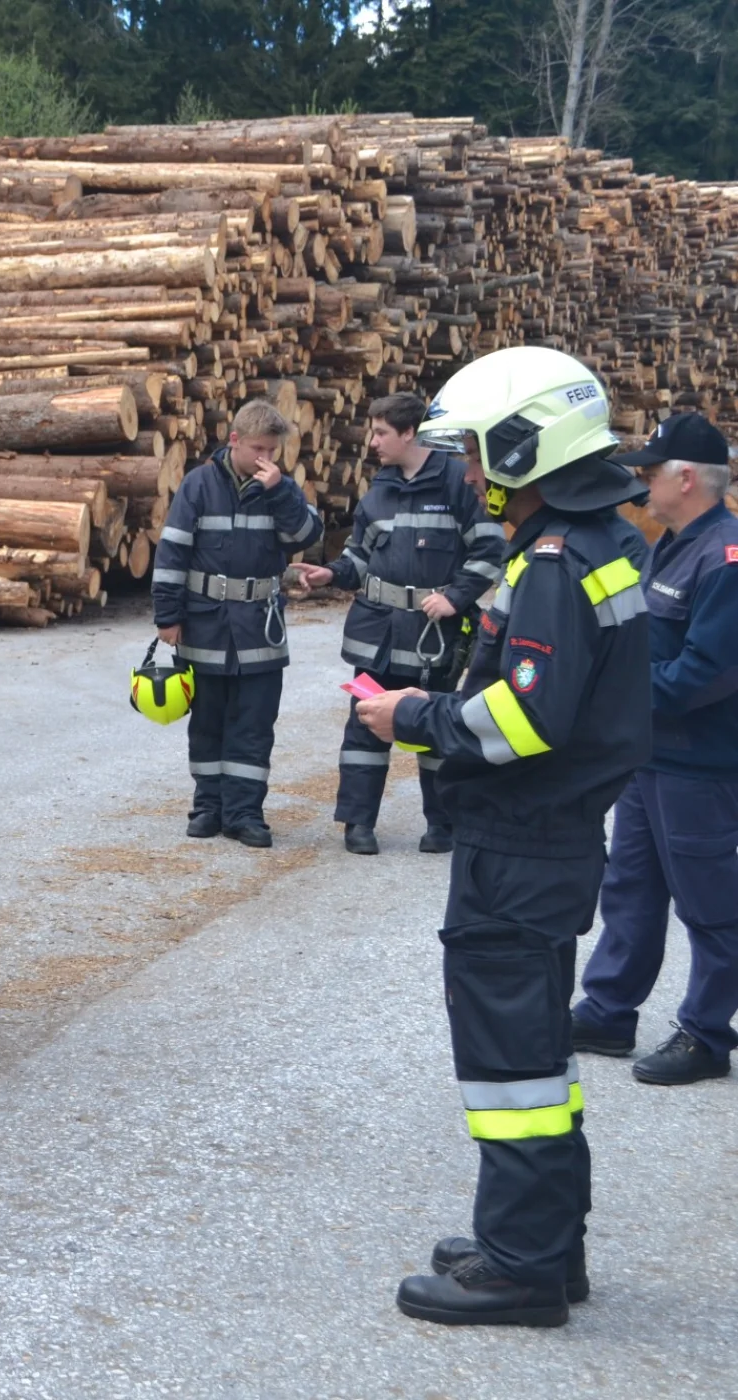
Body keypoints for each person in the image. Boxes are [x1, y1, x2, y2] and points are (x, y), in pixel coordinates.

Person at [356, 345, 651, 1328]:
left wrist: (412, 716)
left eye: (482, 452)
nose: (474, 472)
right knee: (537, 1056)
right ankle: (546, 1245)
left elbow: (527, 718)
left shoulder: (557, 561)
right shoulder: (596, 539)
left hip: (522, 843)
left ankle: (520, 1267)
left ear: (530, 446)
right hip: (549, 837)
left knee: (511, 1063)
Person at [571, 412, 738, 1086]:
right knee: (631, 889)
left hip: (699, 764)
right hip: (651, 755)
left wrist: (613, 694)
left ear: (686, 478)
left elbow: (705, 672)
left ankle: (706, 1034)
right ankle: (608, 1011)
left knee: (708, 903)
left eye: (650, 472)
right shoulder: (673, 544)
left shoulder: (725, 557)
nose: (641, 483)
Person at [296, 393, 506, 855]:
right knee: (365, 727)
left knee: (437, 728)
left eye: (381, 433)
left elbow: (492, 550)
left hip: (434, 639)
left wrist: (455, 597)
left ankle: (442, 826)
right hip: (378, 638)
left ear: (409, 433)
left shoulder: (458, 483)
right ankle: (358, 824)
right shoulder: (380, 489)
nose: (372, 442)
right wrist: (332, 574)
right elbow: (359, 556)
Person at [150, 399, 323, 847]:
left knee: (254, 725)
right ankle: (208, 807)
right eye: (258, 449)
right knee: (207, 722)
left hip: (260, 627)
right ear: (235, 441)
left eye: (272, 450)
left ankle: (245, 814)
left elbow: (307, 535)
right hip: (205, 625)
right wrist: (167, 615)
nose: (266, 458)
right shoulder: (199, 484)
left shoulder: (281, 488)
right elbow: (172, 552)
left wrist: (280, 491)